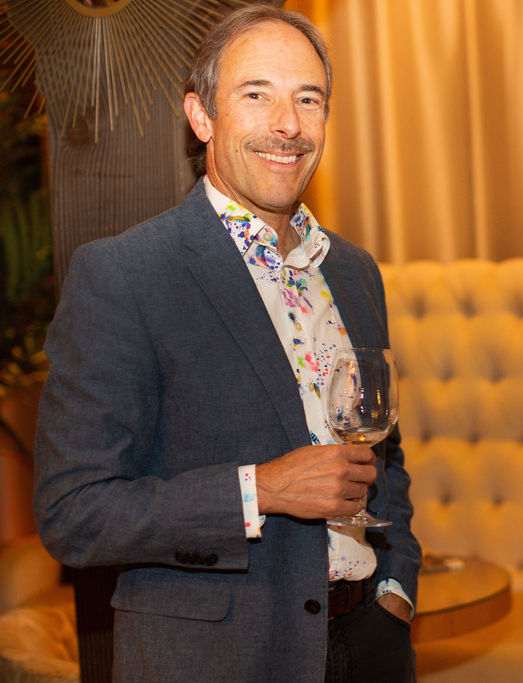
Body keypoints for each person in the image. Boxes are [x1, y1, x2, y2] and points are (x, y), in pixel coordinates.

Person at [33, 6, 420, 681]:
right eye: (256, 94)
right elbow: (74, 513)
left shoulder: (354, 272)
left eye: (308, 98)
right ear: (201, 116)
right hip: (219, 660)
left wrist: (397, 591)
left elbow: (385, 458)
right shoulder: (125, 275)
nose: (288, 124)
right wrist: (260, 489)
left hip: (370, 642)